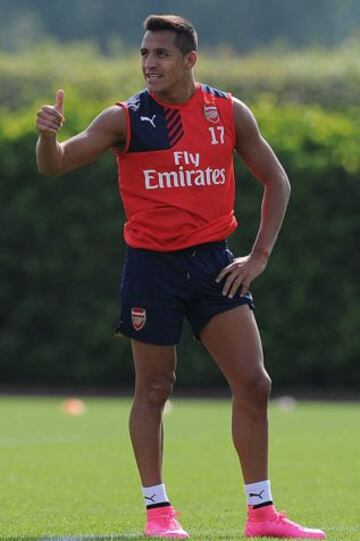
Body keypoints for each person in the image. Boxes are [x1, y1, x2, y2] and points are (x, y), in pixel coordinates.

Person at [36, 14, 326, 540]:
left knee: (255, 384)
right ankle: (159, 515)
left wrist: (257, 258)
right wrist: (45, 138)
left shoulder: (227, 111)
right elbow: (54, 166)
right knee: (154, 388)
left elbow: (277, 182)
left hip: (215, 262)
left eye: (161, 54)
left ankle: (261, 515)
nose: (149, 63)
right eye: (144, 54)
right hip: (152, 268)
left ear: (190, 60)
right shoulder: (125, 119)